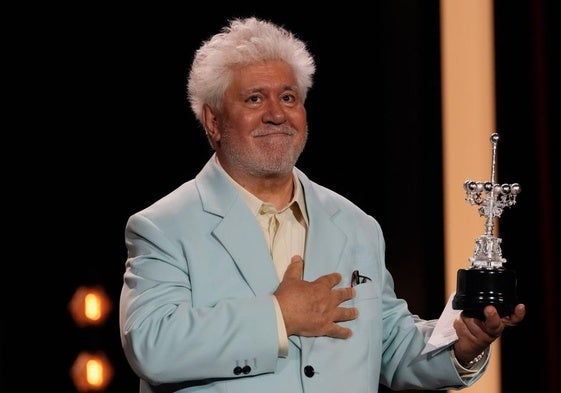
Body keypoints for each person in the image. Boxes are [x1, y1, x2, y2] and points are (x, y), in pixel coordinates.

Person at [119, 17, 526, 393]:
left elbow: (391, 347)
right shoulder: (163, 226)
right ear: (213, 121)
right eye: (255, 99)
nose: (277, 114)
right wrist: (278, 316)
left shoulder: (356, 225)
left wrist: (460, 345)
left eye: (289, 97)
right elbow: (153, 345)